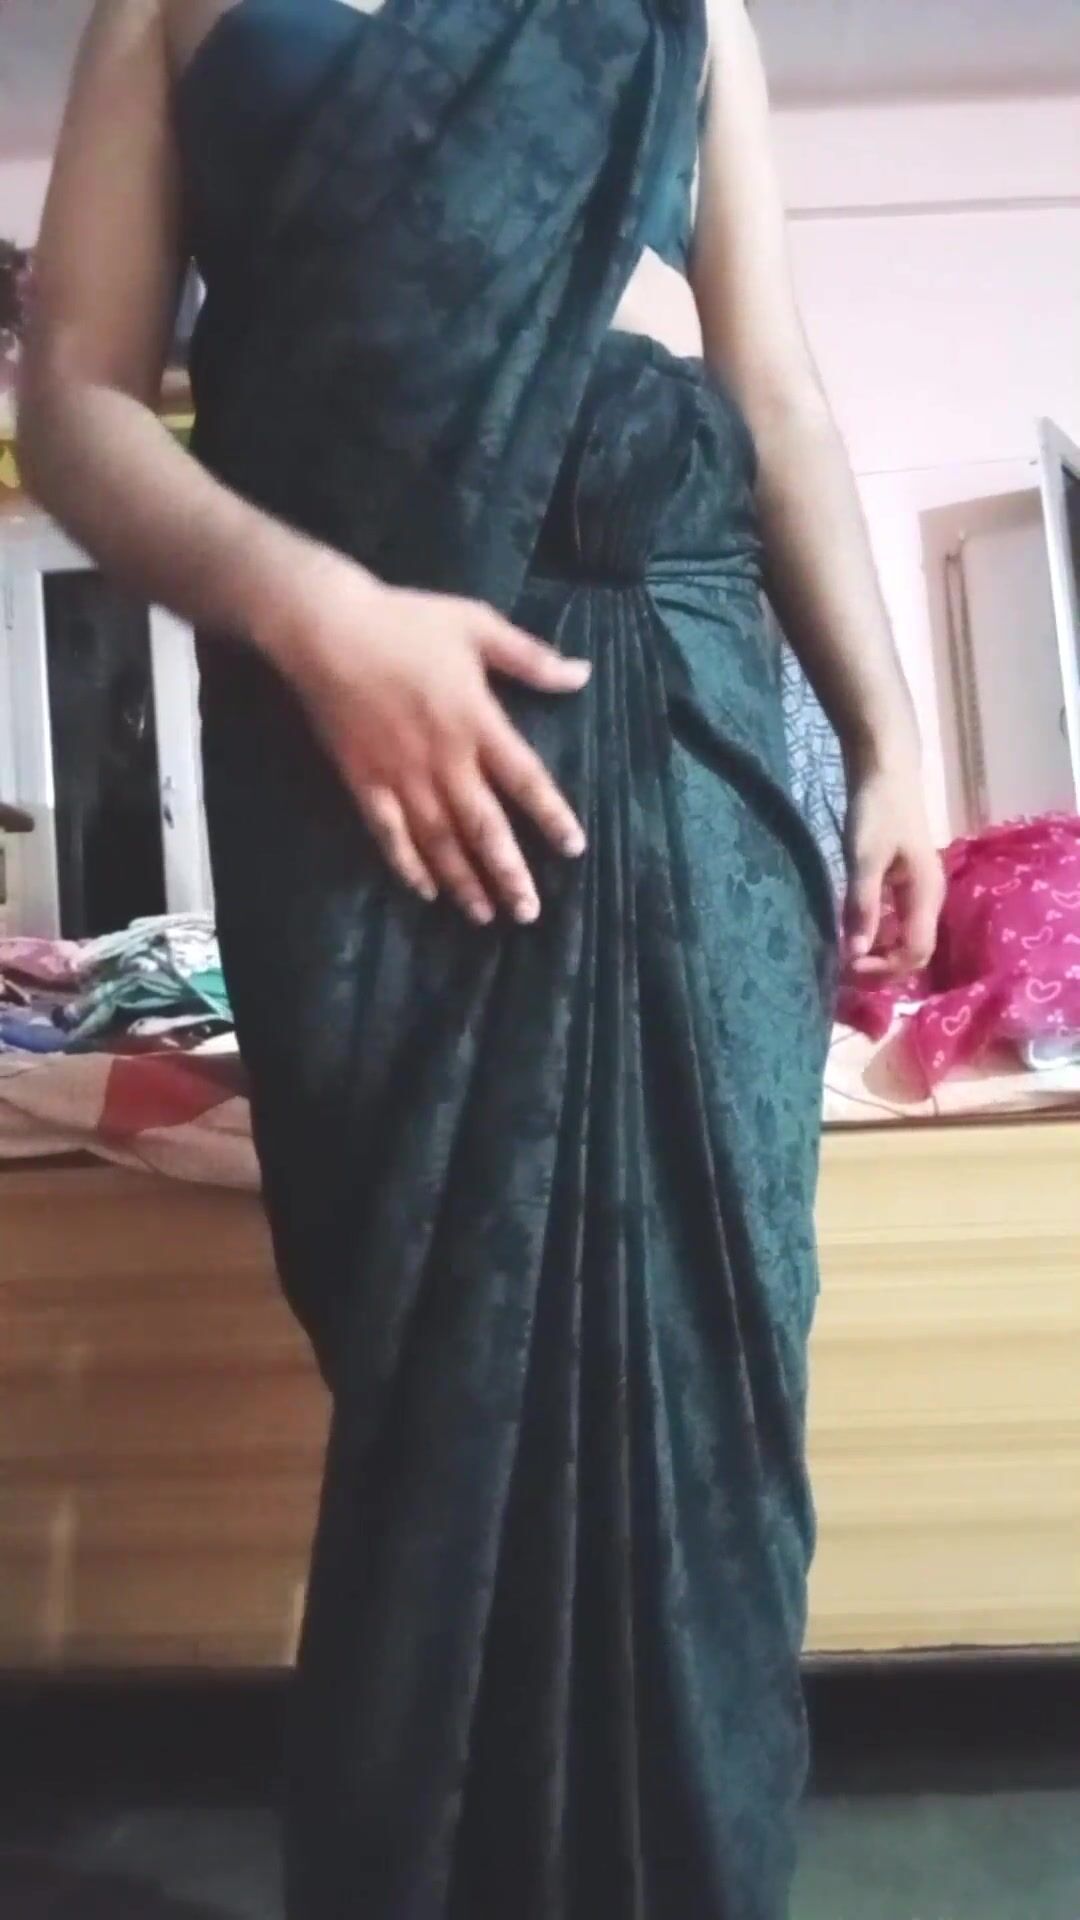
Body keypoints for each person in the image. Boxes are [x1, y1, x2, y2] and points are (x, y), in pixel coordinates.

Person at [19, 3, 943, 1915]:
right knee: (438, 1394)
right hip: (352, 763)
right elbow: (79, 401)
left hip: (683, 730)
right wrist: (319, 617)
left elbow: (772, 391)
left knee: (710, 1413)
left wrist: (889, 738)